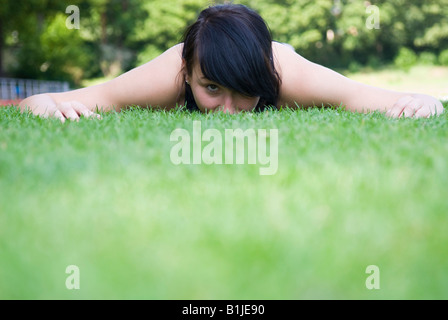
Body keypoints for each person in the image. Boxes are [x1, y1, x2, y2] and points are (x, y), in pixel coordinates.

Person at [18, 3, 444, 122]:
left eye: (245, 91)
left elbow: (378, 98)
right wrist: (43, 106)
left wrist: (424, 102)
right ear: (188, 74)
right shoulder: (174, 69)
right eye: (212, 89)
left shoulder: (286, 71)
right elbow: (56, 101)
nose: (229, 111)